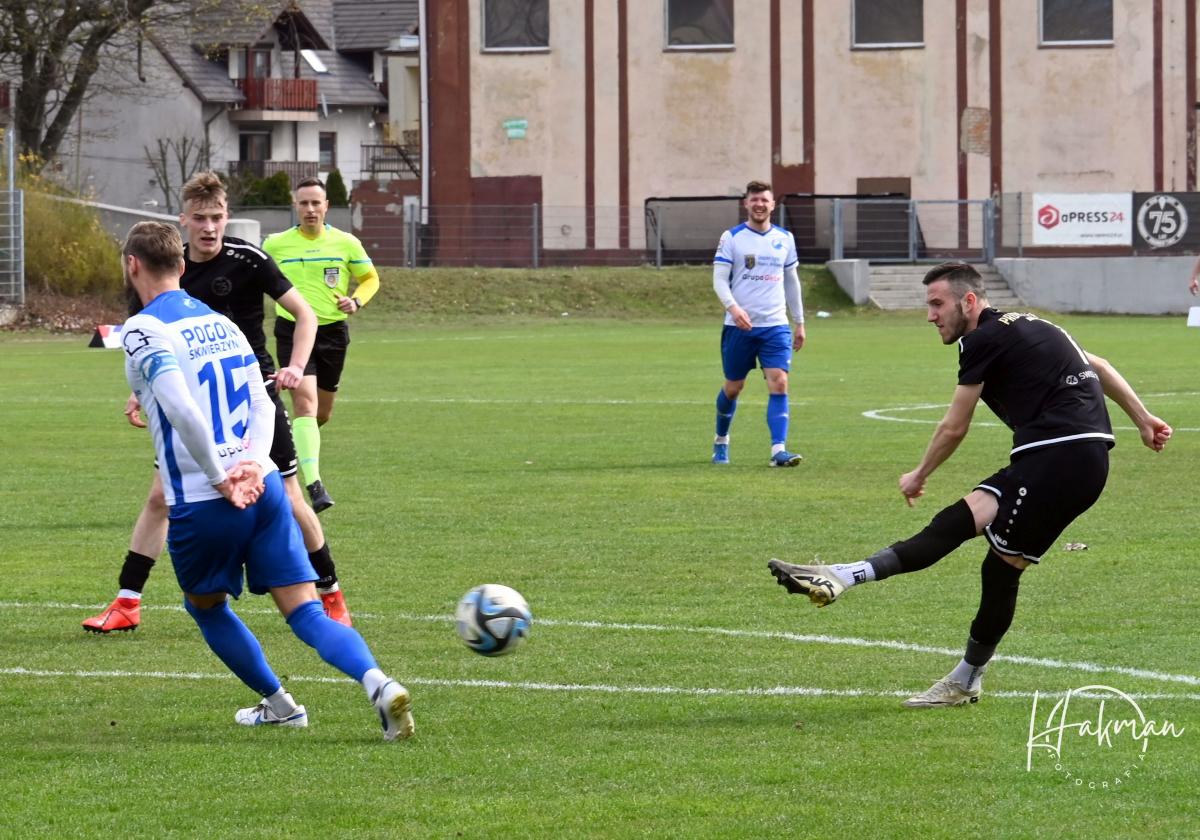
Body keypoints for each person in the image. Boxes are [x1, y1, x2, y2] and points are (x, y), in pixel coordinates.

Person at [768, 262, 1172, 708]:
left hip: (1061, 459)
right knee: (958, 520)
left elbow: (954, 426)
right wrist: (1142, 418)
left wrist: (920, 473)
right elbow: (1098, 363)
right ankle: (842, 576)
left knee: (1000, 571)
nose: (931, 316)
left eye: (937, 304)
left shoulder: (980, 339)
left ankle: (966, 680)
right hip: (1058, 457)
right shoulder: (1032, 324)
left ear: (969, 301)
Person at [117, 220, 413, 740]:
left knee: (205, 606)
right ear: (182, 266)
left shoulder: (143, 329)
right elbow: (261, 400)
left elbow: (182, 407)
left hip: (205, 500)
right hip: (267, 489)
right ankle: (379, 683)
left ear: (132, 264)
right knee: (306, 611)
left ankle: (281, 704)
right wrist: (254, 464)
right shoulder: (222, 322)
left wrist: (222, 477)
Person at [83, 172, 354, 633]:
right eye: (201, 218)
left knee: (289, 497)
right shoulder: (166, 269)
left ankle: (331, 594)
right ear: (184, 220)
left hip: (253, 400)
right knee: (159, 497)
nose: (210, 227)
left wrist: (294, 366)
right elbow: (152, 347)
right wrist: (139, 391)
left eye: (217, 217)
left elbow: (305, 314)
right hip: (191, 403)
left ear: (227, 217)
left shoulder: (249, 259)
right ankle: (127, 601)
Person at [263, 177, 380, 511]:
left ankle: (285, 442)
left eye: (316, 203)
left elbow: (371, 279)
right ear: (295, 206)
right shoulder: (275, 244)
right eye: (304, 203)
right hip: (292, 331)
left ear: (326, 206)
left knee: (321, 414)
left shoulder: (346, 243)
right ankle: (315, 486)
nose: (310, 209)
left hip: (332, 333)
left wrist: (356, 301)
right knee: (305, 405)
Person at [710, 179, 806, 467]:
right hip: (738, 327)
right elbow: (719, 280)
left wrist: (799, 321)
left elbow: (791, 281)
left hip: (775, 325)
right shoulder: (732, 238)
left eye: (764, 200)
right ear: (746, 204)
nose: (759, 204)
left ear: (773, 204)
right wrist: (733, 308)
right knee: (734, 387)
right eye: (754, 200)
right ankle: (721, 440)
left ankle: (778, 451)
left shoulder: (785, 239)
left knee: (780, 382)